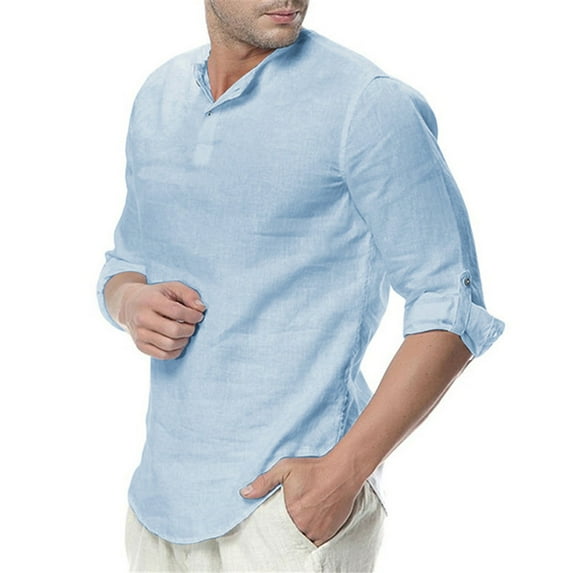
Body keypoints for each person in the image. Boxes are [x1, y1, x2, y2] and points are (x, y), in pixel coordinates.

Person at [97, 1, 504, 571]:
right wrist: (129, 301)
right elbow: (125, 261)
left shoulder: (366, 103)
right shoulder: (159, 96)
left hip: (287, 515)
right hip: (158, 508)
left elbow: (451, 307)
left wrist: (342, 476)